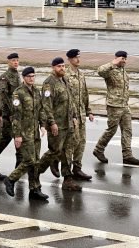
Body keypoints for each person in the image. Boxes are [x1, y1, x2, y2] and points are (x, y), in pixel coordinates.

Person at [3, 67, 48, 201]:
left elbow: (40, 110)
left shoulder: (36, 92)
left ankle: (35, 189)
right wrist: (17, 135)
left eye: (33, 76)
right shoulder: (18, 93)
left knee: (35, 163)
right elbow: (16, 117)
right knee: (29, 161)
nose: (31, 78)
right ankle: (11, 179)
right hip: (24, 133)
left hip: (34, 133)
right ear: (24, 78)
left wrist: (43, 125)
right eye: (29, 76)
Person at [38, 57, 82, 191]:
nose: (62, 68)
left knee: (67, 152)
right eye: (59, 66)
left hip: (67, 124)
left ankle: (68, 180)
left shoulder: (64, 80)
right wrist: (51, 123)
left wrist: (74, 116)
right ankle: (35, 171)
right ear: (53, 67)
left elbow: (70, 100)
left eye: (63, 66)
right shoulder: (49, 83)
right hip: (57, 125)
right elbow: (46, 106)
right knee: (55, 151)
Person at [93, 51, 139, 165]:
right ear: (116, 58)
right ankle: (98, 149)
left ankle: (127, 155)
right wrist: (113, 63)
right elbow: (100, 71)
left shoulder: (123, 71)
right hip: (114, 105)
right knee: (112, 130)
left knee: (127, 130)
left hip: (124, 105)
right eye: (121, 59)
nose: (123, 61)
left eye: (125, 59)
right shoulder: (110, 70)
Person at [64, 49, 94, 181]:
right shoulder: (65, 75)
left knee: (81, 142)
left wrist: (89, 111)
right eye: (76, 58)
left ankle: (77, 168)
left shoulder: (81, 75)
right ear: (70, 59)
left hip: (81, 115)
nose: (78, 60)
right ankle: (66, 170)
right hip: (70, 116)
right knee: (71, 143)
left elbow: (85, 94)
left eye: (79, 57)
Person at [0, 53, 22, 166]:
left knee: (19, 138)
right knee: (6, 137)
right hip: (8, 114)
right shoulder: (4, 77)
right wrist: (12, 112)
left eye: (17, 60)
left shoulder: (17, 75)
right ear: (8, 62)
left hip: (17, 114)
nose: (16, 62)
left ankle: (20, 164)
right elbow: (4, 97)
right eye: (13, 60)